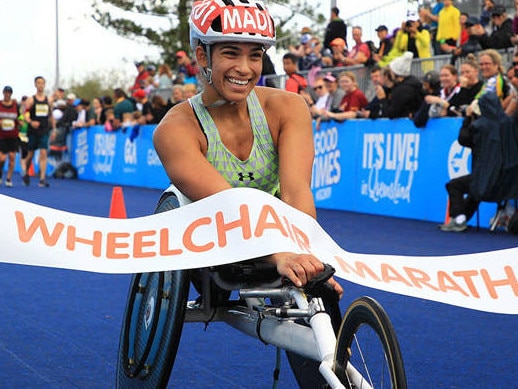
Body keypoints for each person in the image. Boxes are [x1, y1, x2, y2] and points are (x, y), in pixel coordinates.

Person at [153, 0, 343, 297]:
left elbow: (296, 192)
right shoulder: (174, 129)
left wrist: (305, 254)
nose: (244, 69)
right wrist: (278, 255)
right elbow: (229, 204)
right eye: (230, 53)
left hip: (280, 229)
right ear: (203, 55)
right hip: (216, 237)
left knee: (320, 290)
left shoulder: (288, 107)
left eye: (255, 56)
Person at [440, 92, 518, 232]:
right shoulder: (509, 123)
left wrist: (468, 118)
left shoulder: (479, 126)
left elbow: (463, 139)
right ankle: (461, 219)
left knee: (455, 185)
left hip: (486, 181)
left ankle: (459, 219)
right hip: (510, 185)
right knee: (475, 188)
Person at [23, 76, 54, 187]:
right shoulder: (31, 100)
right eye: (38, 83)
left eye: (42, 83)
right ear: (35, 85)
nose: (40, 85)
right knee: (30, 154)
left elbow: (51, 115)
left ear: (44, 85)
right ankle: (26, 172)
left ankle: (42, 179)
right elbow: (25, 114)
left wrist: (53, 129)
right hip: (33, 130)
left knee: (43, 153)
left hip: (44, 129)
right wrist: (31, 122)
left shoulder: (49, 100)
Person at [379, 52, 424, 119]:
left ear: (395, 73)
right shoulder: (413, 83)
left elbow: (391, 113)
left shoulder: (402, 90)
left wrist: (382, 99)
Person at [0, 86, 19, 187]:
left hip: (13, 135)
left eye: (9, 93)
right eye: (5, 92)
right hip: (1, 135)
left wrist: (20, 120)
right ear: (3, 93)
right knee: (2, 158)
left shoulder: (15, 105)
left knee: (12, 157)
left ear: (11, 94)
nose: (7, 94)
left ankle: (8, 179)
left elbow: (20, 116)